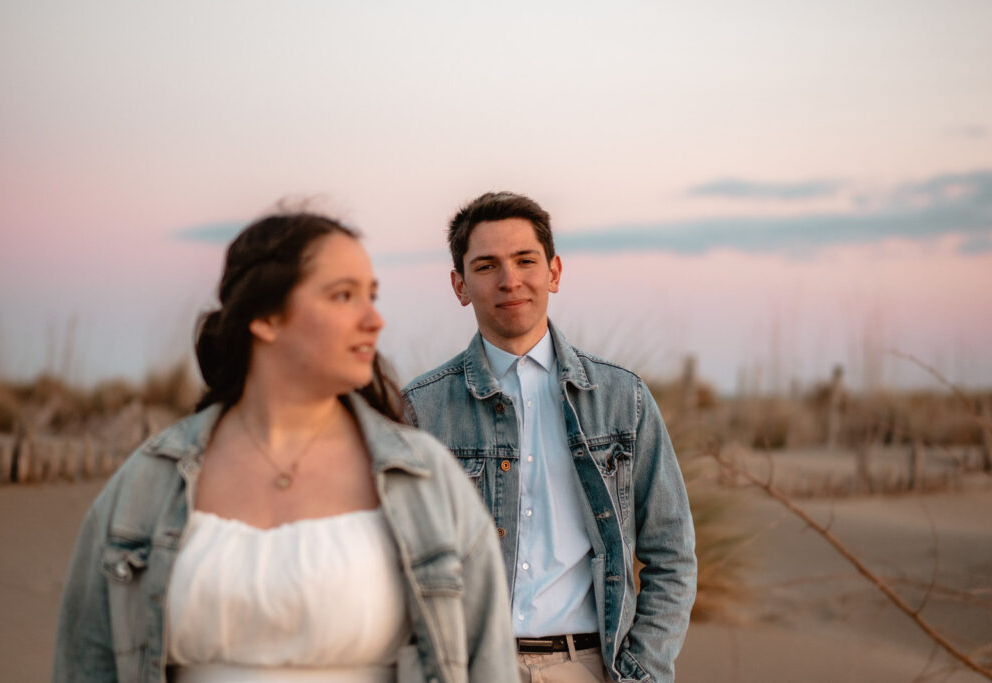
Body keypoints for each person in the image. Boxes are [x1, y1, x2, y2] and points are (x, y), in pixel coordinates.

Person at [53, 210, 518, 683]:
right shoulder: (149, 480)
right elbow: (87, 664)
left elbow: (487, 665)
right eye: (343, 296)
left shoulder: (424, 479)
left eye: (371, 296)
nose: (374, 320)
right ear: (266, 318)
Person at [401, 192, 697, 683]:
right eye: (486, 265)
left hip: (583, 666)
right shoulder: (422, 408)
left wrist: (642, 671)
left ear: (554, 272)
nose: (509, 280)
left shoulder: (623, 399)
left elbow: (672, 553)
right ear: (460, 285)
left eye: (524, 261)